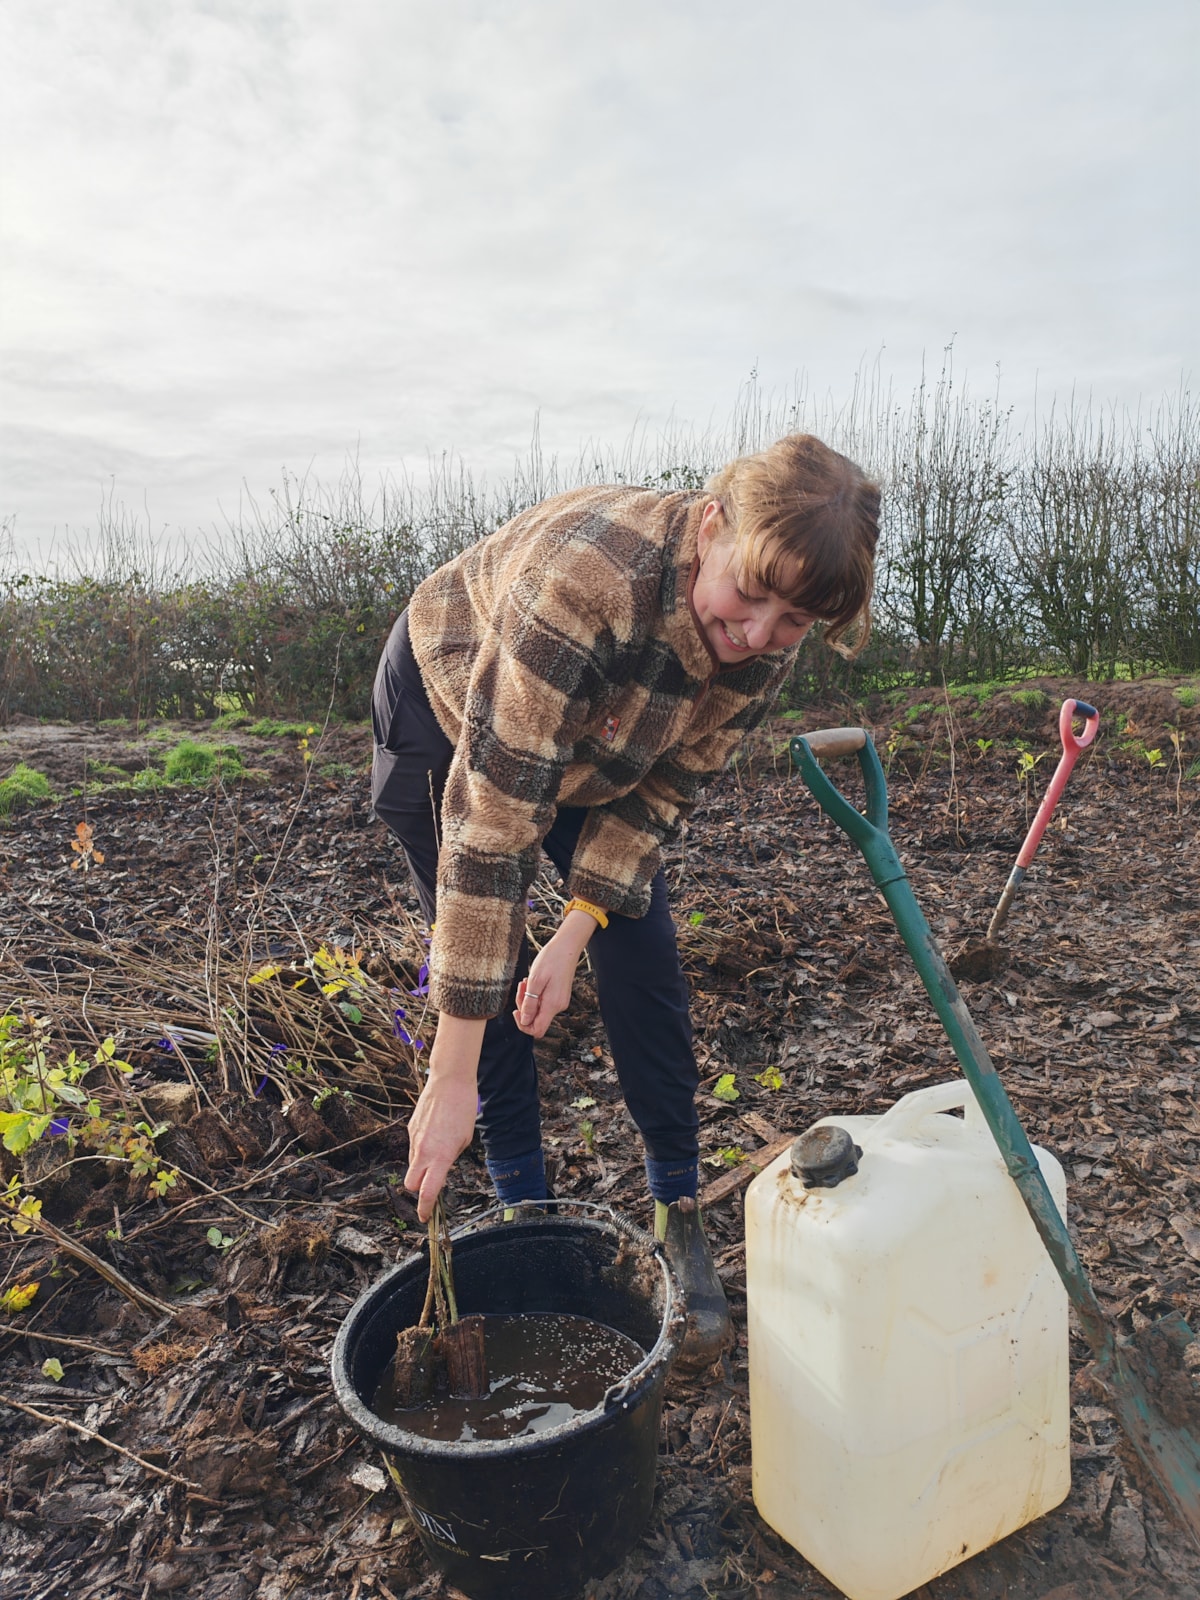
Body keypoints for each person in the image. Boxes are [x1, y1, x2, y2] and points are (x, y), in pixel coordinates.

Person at [371, 433, 880, 1366]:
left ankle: (678, 1207)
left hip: (606, 740)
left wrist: (578, 927)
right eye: (751, 597)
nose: (762, 634)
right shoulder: (585, 583)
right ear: (714, 526)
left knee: (639, 945)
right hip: (453, 706)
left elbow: (662, 794)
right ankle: (525, 1205)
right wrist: (448, 1074)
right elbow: (491, 833)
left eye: (794, 621)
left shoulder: (762, 643)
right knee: (483, 968)